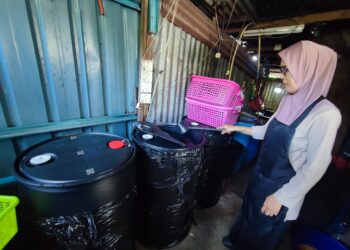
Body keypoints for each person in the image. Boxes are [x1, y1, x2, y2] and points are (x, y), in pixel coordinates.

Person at [217, 40, 342, 250]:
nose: (281, 76)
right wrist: (236, 128)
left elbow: (315, 166)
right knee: (248, 212)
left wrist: (282, 197)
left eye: (286, 70)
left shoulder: (326, 114)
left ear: (309, 70)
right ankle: (236, 241)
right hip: (259, 178)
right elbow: (267, 131)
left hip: (283, 188)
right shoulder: (287, 101)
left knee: (263, 232)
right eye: (281, 69)